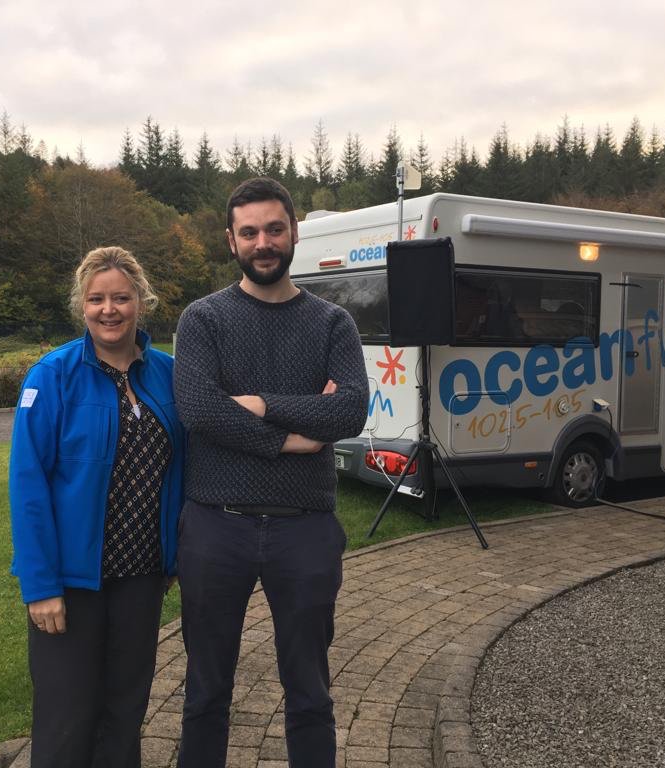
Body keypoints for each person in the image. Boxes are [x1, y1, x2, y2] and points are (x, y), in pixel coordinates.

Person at [173, 177, 368, 767]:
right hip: (215, 527)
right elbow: (200, 411)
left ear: (294, 233)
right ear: (230, 240)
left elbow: (350, 409)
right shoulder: (203, 319)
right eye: (250, 231)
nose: (264, 242)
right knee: (206, 691)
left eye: (274, 229)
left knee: (309, 691)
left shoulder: (333, 323)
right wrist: (293, 438)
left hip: (304, 529)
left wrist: (257, 403)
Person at [8, 246, 184, 768]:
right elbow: (28, 485)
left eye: (122, 298)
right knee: (66, 719)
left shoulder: (167, 375)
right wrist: (41, 587)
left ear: (142, 302)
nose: (110, 309)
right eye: (97, 299)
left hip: (142, 579)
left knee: (125, 713)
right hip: (71, 586)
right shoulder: (52, 375)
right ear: (82, 306)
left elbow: (186, 466)